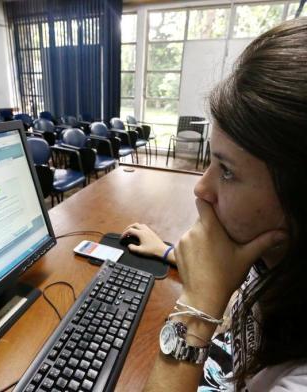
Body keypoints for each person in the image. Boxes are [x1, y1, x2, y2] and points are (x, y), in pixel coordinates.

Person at [122, 17, 307, 391]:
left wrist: (197, 309)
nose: (201, 189)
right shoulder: (281, 255)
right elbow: (234, 272)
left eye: (227, 171)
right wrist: (169, 251)